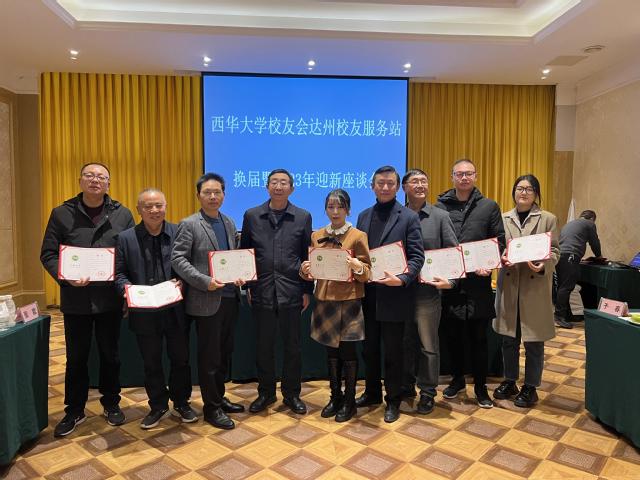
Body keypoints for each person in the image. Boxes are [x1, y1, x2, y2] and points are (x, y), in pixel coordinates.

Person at [41, 162, 134, 437]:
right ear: (80, 180)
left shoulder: (123, 214)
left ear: (108, 183)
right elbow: (48, 253)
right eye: (90, 175)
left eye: (101, 177)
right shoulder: (61, 213)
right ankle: (74, 409)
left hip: (109, 299)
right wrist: (66, 276)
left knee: (110, 355)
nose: (95, 180)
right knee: (76, 357)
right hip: (76, 299)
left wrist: (127, 291)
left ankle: (111, 403)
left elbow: (128, 255)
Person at [115, 189, 196, 429]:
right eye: (148, 206)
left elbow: (190, 265)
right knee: (151, 362)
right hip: (144, 312)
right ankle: (158, 405)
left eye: (158, 205)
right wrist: (128, 290)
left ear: (165, 206)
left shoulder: (179, 232)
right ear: (138, 209)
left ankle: (181, 402)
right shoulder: (125, 238)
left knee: (180, 359)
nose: (154, 210)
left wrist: (183, 282)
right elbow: (118, 273)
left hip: (176, 310)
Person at [171, 173, 245, 430]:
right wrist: (204, 281)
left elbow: (233, 258)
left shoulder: (229, 221)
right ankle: (211, 408)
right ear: (198, 196)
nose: (213, 197)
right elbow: (178, 259)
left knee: (224, 353)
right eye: (207, 192)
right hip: (205, 299)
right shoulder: (189, 224)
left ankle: (219, 397)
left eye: (217, 192)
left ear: (224, 195)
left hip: (230, 298)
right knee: (210, 357)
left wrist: (240, 275)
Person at [355, 165, 425, 423]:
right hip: (368, 295)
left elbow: (417, 256)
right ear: (372, 186)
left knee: (394, 352)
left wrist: (404, 278)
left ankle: (393, 399)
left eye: (390, 183)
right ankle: (372, 392)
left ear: (397, 187)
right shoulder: (363, 216)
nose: (385, 187)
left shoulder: (408, 217)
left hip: (395, 295)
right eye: (380, 183)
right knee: (369, 349)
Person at [240, 169, 313, 415]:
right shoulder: (252, 215)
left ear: (292, 188)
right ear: (267, 186)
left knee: (292, 347)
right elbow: (245, 253)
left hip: (291, 290)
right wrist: (248, 287)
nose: (278, 186)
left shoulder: (303, 216)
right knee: (264, 346)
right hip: (262, 290)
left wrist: (307, 290)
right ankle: (266, 393)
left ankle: (292, 394)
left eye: (283, 183)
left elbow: (306, 255)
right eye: (274, 182)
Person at [436, 158, 505, 408]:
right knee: (452, 339)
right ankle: (456, 381)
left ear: (475, 176)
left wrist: (490, 263)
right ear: (452, 177)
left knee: (479, 340)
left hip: (478, 285)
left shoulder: (489, 206)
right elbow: (437, 242)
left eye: (468, 173)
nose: (464, 178)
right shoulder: (440, 207)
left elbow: (499, 240)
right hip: (450, 285)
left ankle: (481, 388)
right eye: (459, 174)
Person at [300, 189, 371, 422]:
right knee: (331, 352)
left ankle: (349, 402)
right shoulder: (317, 235)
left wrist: (357, 266)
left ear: (348, 209)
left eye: (340, 207)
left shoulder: (358, 236)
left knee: (348, 353)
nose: (335, 211)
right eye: (331, 207)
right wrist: (305, 270)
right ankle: (335, 397)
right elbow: (312, 270)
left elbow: (367, 273)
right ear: (325, 209)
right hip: (324, 300)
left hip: (349, 301)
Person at [493, 174, 559, 407]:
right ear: (513, 192)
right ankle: (510, 380)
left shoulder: (548, 219)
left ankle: (530, 386)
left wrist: (543, 265)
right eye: (520, 188)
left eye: (529, 189)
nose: (524, 192)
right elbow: (498, 248)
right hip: (510, 285)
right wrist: (501, 257)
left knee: (534, 340)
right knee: (508, 339)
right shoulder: (503, 218)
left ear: (536, 194)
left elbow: (555, 251)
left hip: (534, 287)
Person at [400, 169, 458, 415]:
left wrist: (451, 281)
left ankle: (427, 392)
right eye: (414, 181)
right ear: (404, 187)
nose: (420, 185)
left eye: (424, 181)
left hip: (427, 293)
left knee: (428, 345)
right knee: (404, 343)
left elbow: (453, 253)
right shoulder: (397, 215)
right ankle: (405, 387)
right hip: (400, 292)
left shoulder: (440, 217)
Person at [554, 210, 602, 329]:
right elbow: (594, 242)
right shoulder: (589, 224)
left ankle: (567, 315)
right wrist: (599, 257)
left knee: (562, 286)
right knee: (566, 287)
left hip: (560, 256)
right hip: (571, 255)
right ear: (592, 219)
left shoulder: (570, 224)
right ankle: (559, 317)